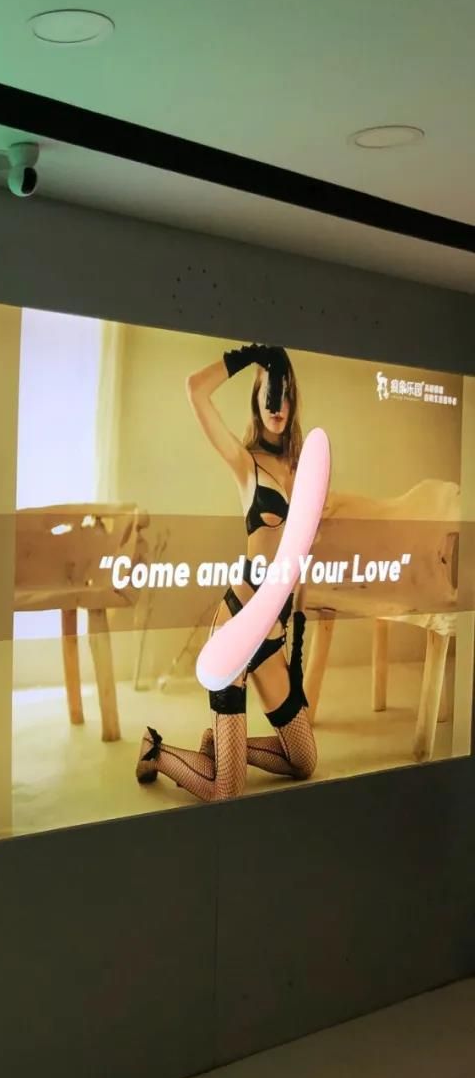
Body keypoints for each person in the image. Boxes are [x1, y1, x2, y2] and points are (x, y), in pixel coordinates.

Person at [135, 342, 318, 800]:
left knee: (304, 761)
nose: (277, 406)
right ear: (257, 401)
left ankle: (220, 745)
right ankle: (155, 750)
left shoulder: (304, 468)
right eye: (268, 394)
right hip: (239, 624)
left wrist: (295, 634)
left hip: (273, 634)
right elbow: (195, 389)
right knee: (227, 790)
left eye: (284, 394)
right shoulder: (245, 462)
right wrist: (249, 357)